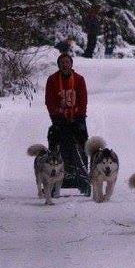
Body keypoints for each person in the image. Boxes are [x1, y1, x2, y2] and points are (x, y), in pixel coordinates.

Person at [45, 43, 91, 197]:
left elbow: (83, 99)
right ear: (59, 65)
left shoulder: (79, 79)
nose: (65, 65)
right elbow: (49, 101)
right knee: (57, 142)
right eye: (62, 63)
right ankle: (56, 175)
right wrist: (58, 114)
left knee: (82, 143)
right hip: (59, 119)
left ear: (71, 65)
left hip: (77, 117)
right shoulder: (52, 80)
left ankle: (83, 176)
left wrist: (77, 113)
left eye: (68, 63)